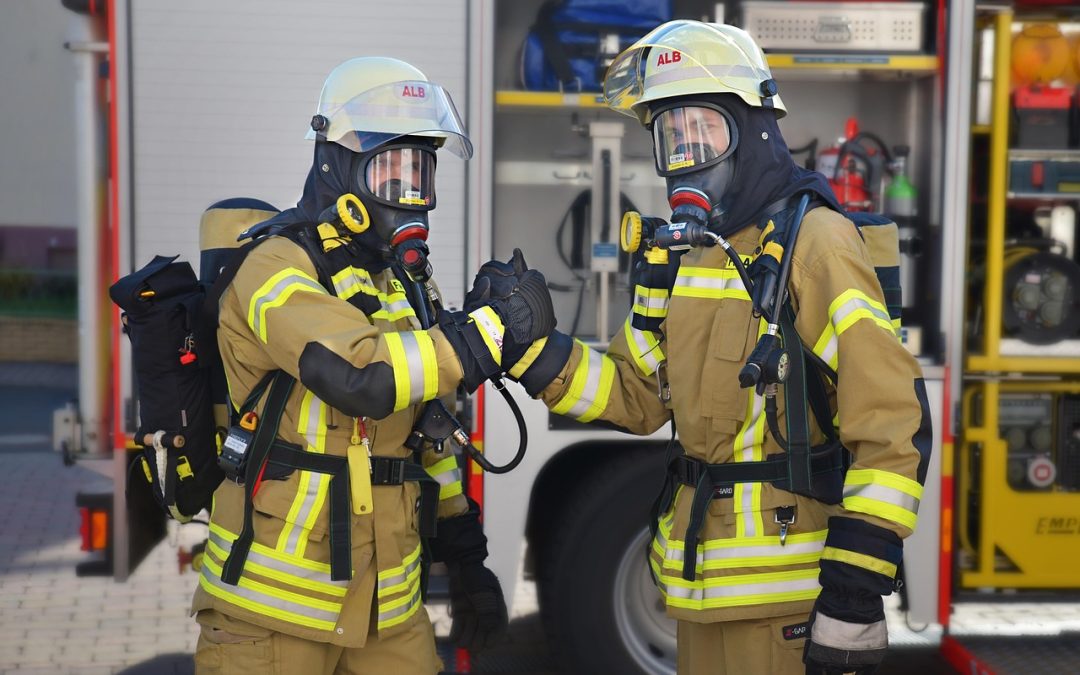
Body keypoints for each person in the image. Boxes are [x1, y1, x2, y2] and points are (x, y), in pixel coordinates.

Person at [478, 21, 932, 675]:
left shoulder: (818, 243)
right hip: (696, 597)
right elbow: (635, 395)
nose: (688, 155)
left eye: (704, 130)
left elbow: (892, 419)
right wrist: (536, 351)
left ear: (755, 130)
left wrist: (854, 591)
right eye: (672, 137)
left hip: (787, 610)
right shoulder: (683, 257)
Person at [191, 56, 556, 674]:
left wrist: (465, 558)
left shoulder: (398, 286)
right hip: (274, 613)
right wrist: (490, 332)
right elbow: (361, 377)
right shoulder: (276, 268)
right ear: (336, 167)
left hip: (388, 608)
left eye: (420, 172)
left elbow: (431, 436)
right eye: (389, 171)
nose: (409, 194)